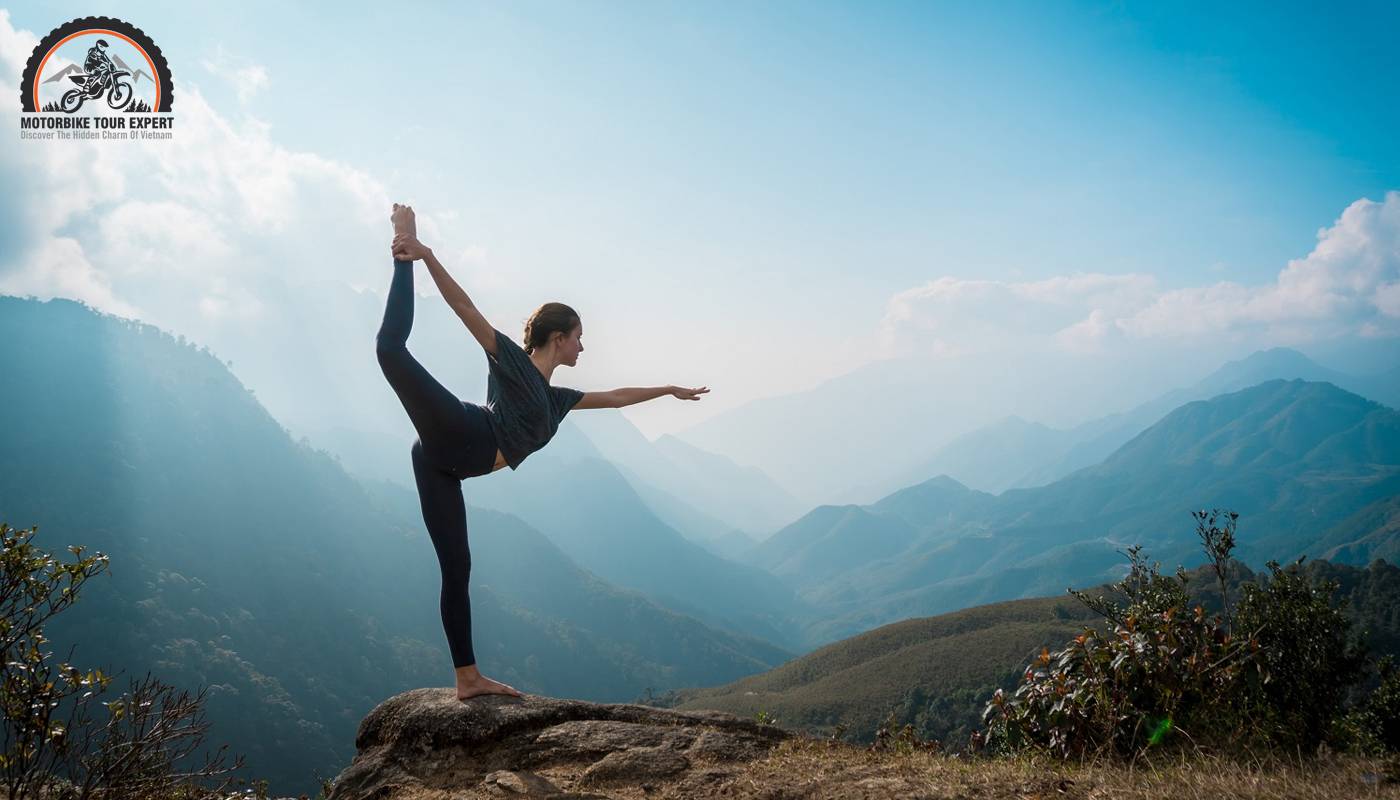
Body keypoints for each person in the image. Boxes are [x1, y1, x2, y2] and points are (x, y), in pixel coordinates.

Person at [375, 203, 708, 701]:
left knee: (457, 568)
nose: (582, 349)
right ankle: (401, 247)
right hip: (464, 434)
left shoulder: (558, 400)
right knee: (391, 350)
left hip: (445, 465)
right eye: (579, 339)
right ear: (558, 337)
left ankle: (467, 678)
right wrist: (423, 254)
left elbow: (616, 397)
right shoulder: (513, 363)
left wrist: (667, 390)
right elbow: (465, 308)